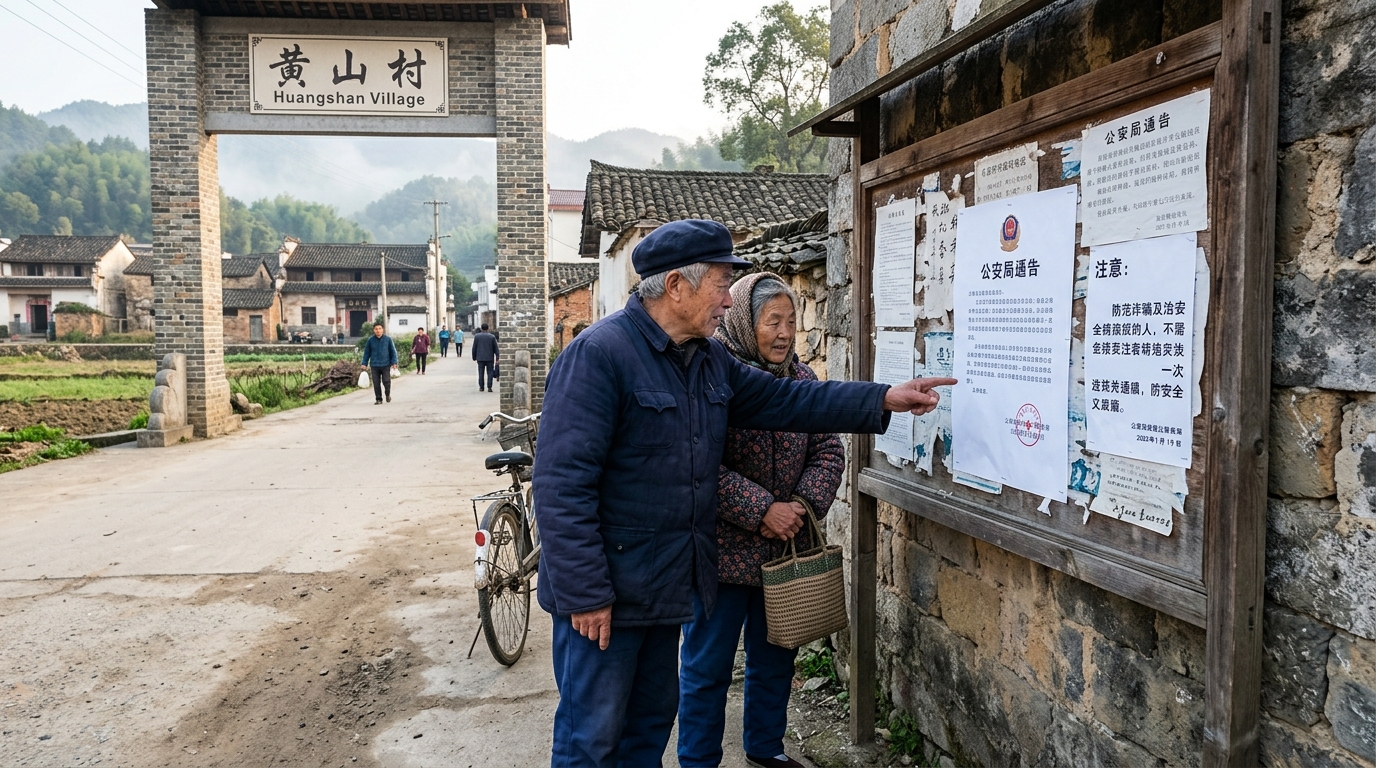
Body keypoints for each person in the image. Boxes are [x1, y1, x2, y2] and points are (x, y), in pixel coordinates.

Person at [533, 219, 956, 768]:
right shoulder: (600, 355)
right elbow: (561, 485)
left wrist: (883, 399)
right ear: (677, 287)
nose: (727, 298)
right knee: (590, 739)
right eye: (719, 283)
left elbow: (790, 403)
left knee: (647, 731)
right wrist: (585, 592)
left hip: (664, 589)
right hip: (607, 593)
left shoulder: (706, 359)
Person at [676, 273, 838, 768]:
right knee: (707, 667)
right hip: (721, 555)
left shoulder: (803, 381)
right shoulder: (711, 378)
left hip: (783, 552)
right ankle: (698, 759)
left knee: (776, 659)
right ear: (747, 322)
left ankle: (765, 748)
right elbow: (698, 461)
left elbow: (829, 450)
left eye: (791, 322)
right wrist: (761, 509)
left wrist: (798, 509)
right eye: (773, 322)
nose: (785, 333)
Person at [361, 321, 398, 404]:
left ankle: (387, 394)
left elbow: (393, 352)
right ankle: (378, 399)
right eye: (376, 329)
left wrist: (394, 362)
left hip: (386, 364)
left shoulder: (388, 340)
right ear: (374, 330)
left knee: (386, 381)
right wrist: (364, 363)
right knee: (376, 383)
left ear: (383, 330)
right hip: (374, 365)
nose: (378, 330)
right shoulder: (370, 340)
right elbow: (366, 353)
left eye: (379, 329)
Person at [471, 323, 498, 392]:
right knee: (490, 373)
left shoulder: (477, 336)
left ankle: (481, 387)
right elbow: (495, 348)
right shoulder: (492, 337)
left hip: (480, 358)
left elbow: (474, 348)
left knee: (481, 373)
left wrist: (474, 357)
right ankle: (489, 387)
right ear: (488, 328)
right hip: (489, 358)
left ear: (481, 328)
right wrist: (497, 357)